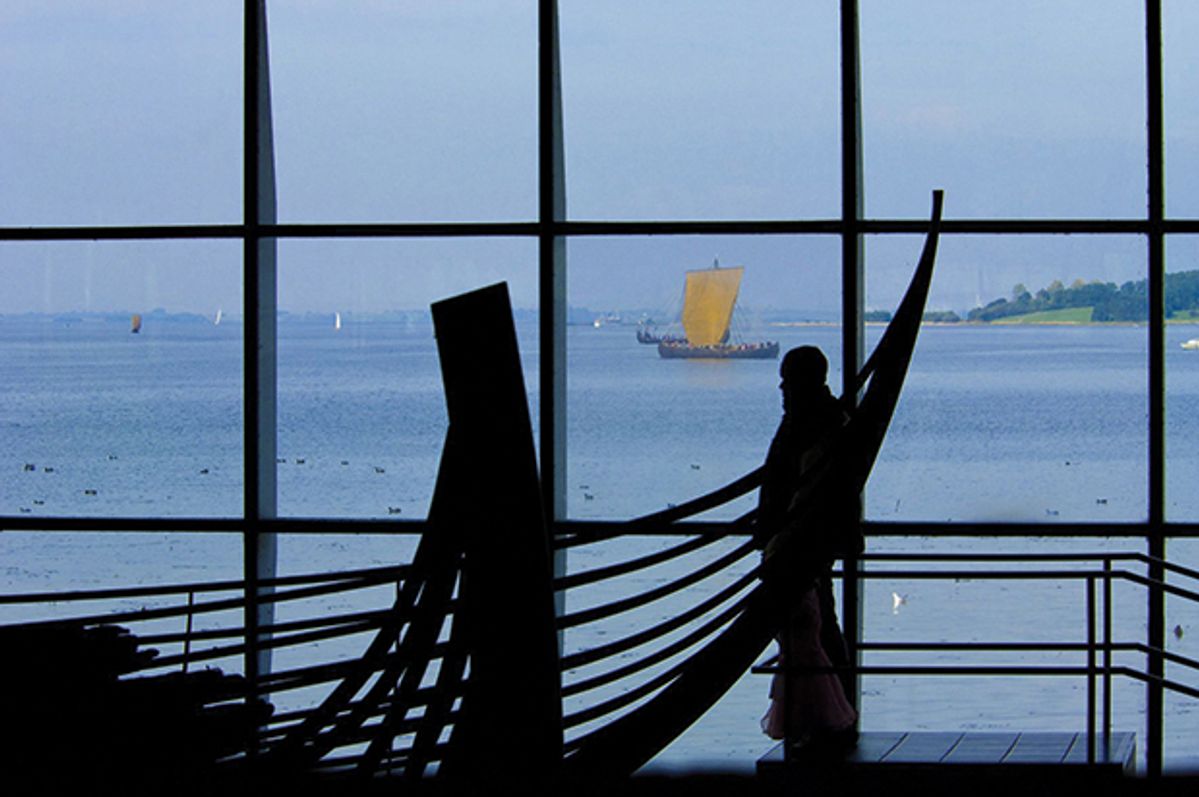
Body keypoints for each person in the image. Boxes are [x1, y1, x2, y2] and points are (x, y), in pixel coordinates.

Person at [755, 345, 861, 753]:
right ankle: (831, 716)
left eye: (787, 379)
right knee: (819, 628)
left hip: (802, 543)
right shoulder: (830, 419)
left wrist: (775, 534)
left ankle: (824, 719)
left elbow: (791, 485)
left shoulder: (806, 423)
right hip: (810, 541)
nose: (781, 387)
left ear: (802, 382)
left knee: (811, 632)